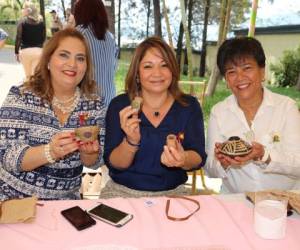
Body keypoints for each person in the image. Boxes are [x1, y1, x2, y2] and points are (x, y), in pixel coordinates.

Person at [0, 28, 106, 201]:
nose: (72, 64)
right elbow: (6, 157)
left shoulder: (94, 105)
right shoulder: (21, 96)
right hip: (14, 201)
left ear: (86, 66)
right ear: (48, 60)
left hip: (65, 205)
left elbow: (95, 162)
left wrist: (89, 153)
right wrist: (50, 152)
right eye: (64, 55)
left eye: (80, 58)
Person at [101, 36, 207, 199]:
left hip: (173, 194)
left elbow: (198, 157)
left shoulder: (189, 106)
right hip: (122, 193)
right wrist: (131, 141)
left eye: (164, 65)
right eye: (148, 66)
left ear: (173, 69)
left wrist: (182, 158)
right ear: (137, 73)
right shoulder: (120, 106)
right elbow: (115, 163)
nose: (157, 73)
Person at [205, 37, 300, 193]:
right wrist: (222, 162)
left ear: (262, 71)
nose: (240, 77)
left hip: (285, 201)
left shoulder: (286, 108)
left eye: (247, 68)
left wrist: (264, 155)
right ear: (227, 80)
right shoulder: (219, 112)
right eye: (231, 72)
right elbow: (209, 169)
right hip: (237, 201)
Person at [74, 0, 118, 107]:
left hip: (86, 103)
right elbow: (114, 68)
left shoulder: (78, 35)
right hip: (110, 100)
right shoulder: (110, 37)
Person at [15, 3, 45, 80]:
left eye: (23, 8)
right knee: (35, 77)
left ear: (28, 10)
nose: (22, 10)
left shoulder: (22, 21)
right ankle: (36, 91)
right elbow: (43, 38)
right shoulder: (41, 22)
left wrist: (16, 52)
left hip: (26, 52)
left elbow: (18, 37)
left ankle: (29, 90)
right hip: (39, 52)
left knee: (28, 77)